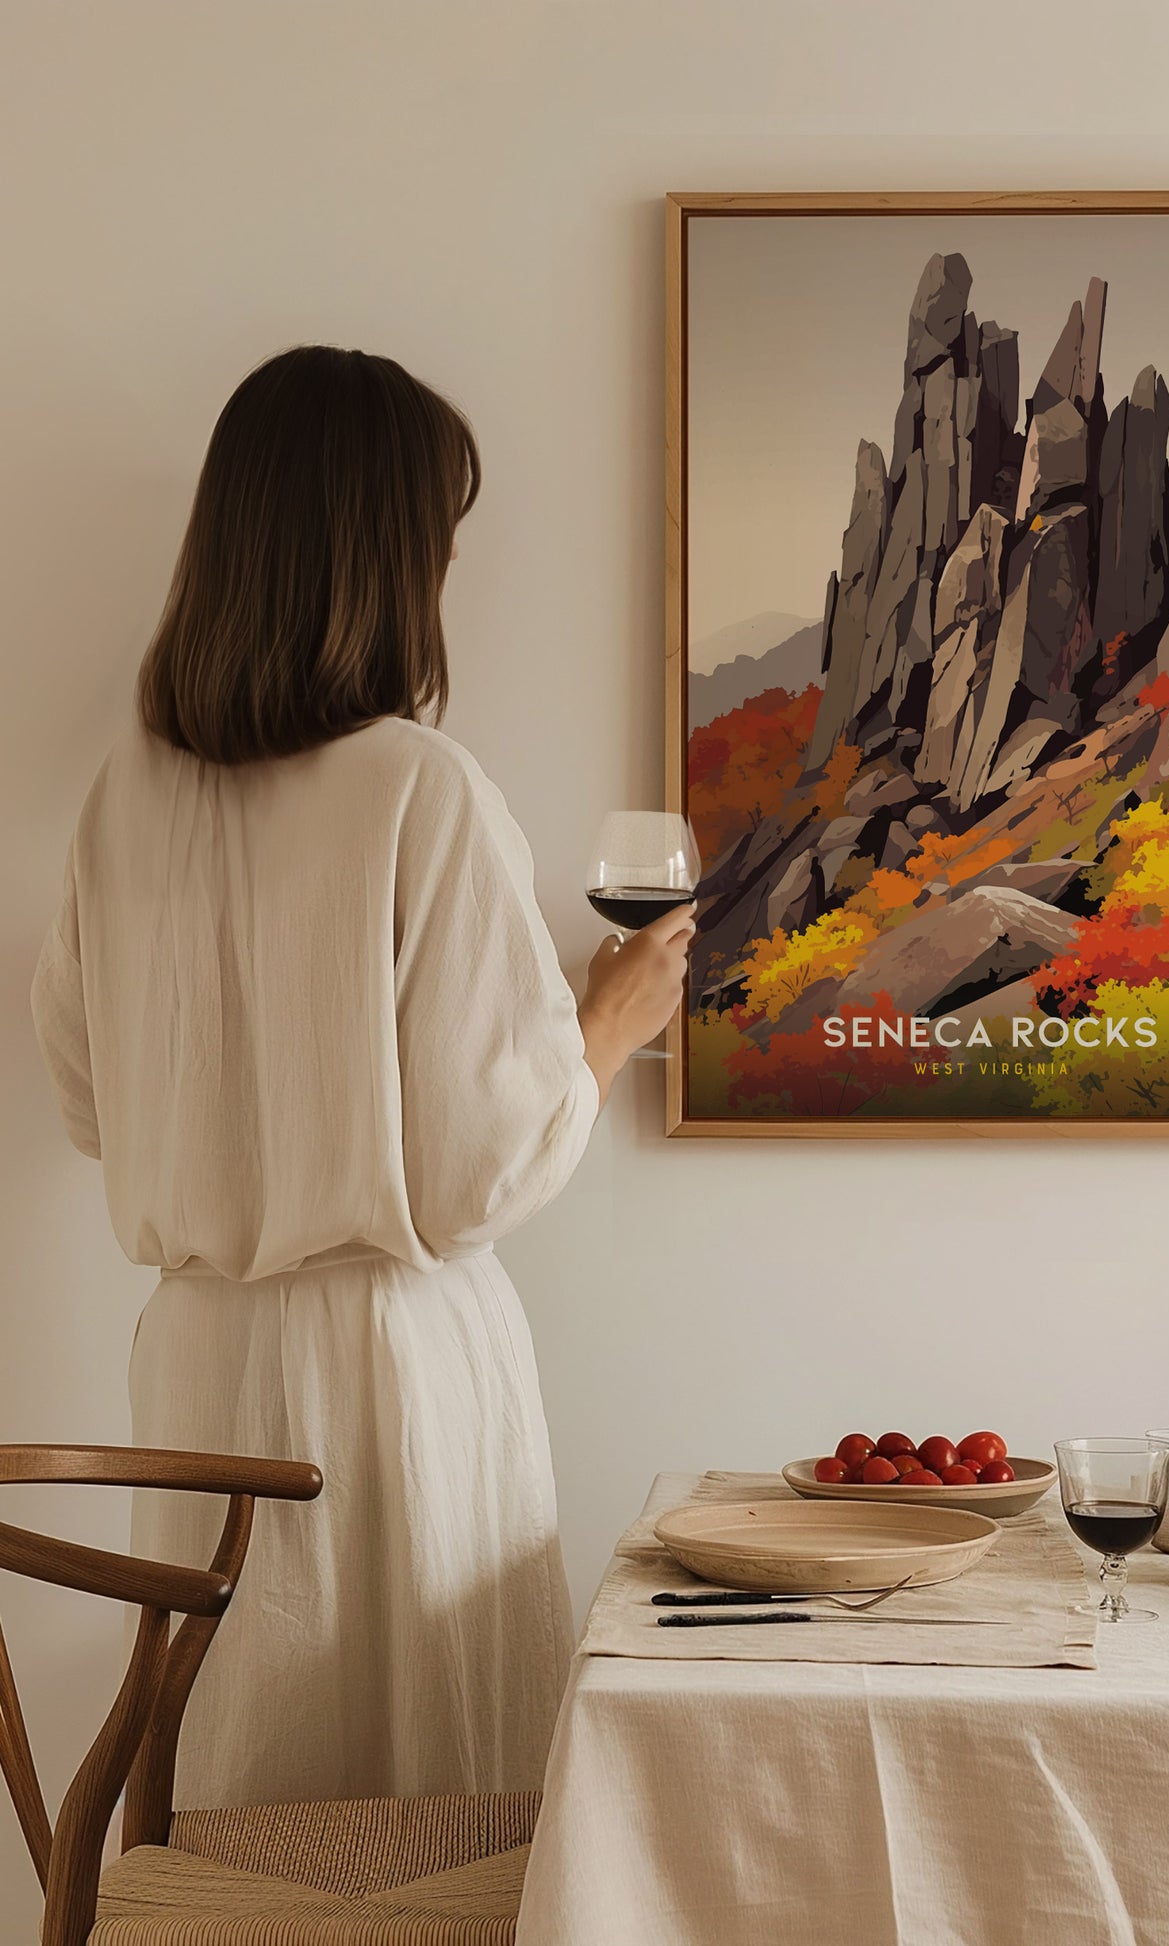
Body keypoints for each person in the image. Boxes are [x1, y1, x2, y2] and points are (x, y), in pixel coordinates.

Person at [29, 345, 691, 1806]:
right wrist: (606, 1020)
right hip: (390, 1374)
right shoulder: (418, 786)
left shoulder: (122, 798)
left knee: (240, 1793)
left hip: (197, 1363)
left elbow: (87, 1100)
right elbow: (473, 1173)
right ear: (387, 556)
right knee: (424, 1812)